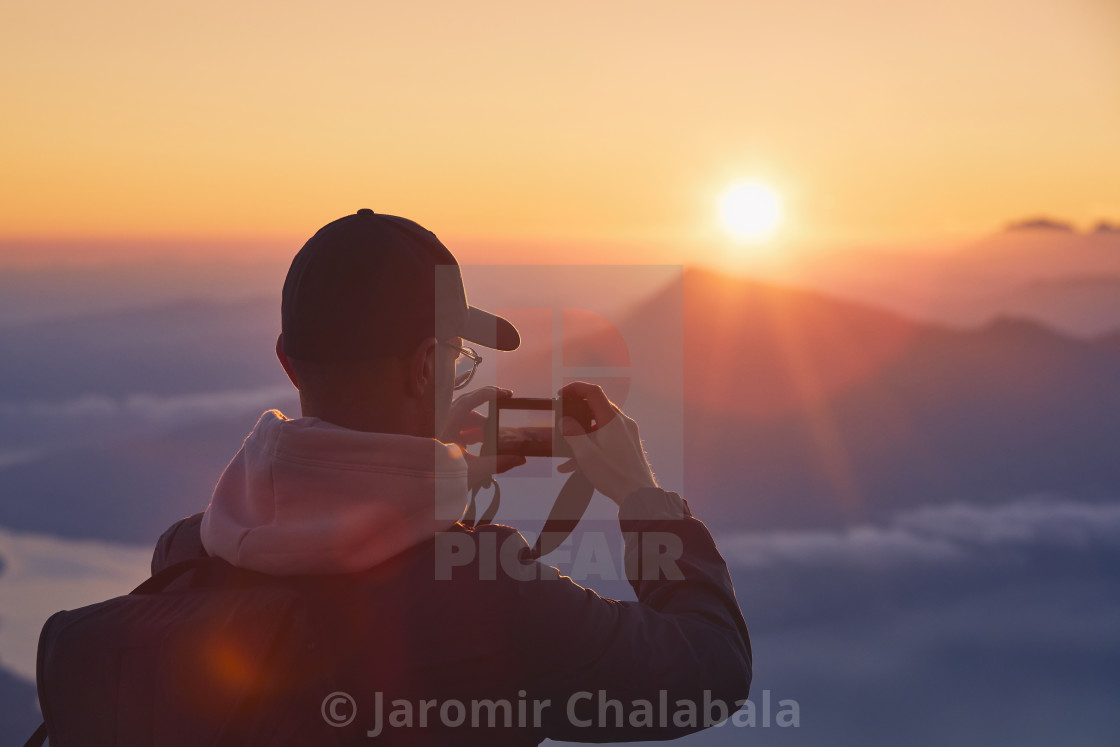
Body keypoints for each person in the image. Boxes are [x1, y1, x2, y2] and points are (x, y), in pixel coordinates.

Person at [151, 209, 752, 744]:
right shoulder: (489, 598)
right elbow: (710, 669)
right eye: (457, 362)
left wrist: (440, 490)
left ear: (287, 360)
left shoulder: (186, 554)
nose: (457, 377)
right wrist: (642, 496)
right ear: (422, 368)